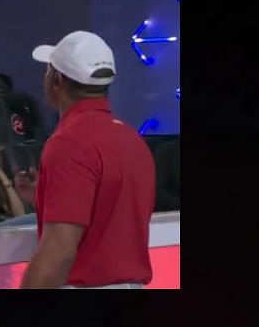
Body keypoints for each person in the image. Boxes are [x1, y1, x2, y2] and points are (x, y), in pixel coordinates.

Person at [18, 31, 157, 289]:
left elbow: (59, 251)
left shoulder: (68, 143)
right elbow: (110, 212)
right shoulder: (132, 140)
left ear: (56, 79)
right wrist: (45, 196)